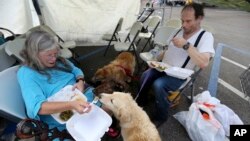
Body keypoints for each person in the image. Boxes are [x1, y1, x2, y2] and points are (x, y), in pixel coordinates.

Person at [17, 30, 120, 138]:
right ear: (34, 54)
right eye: (49, 55)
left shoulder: (59, 61)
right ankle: (97, 129)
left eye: (55, 54)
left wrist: (80, 81)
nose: (53, 59)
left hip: (80, 98)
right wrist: (71, 105)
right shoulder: (26, 73)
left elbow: (76, 70)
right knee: (90, 129)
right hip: (60, 113)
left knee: (111, 105)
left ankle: (104, 128)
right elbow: (39, 108)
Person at [136, 2, 215, 126]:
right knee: (145, 75)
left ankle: (161, 116)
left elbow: (204, 62)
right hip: (163, 68)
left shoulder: (206, 37)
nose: (183, 25)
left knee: (159, 84)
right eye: (182, 20)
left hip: (180, 75)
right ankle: (142, 100)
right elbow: (167, 50)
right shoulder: (178, 31)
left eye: (188, 21)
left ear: (200, 18)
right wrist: (156, 60)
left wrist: (186, 45)